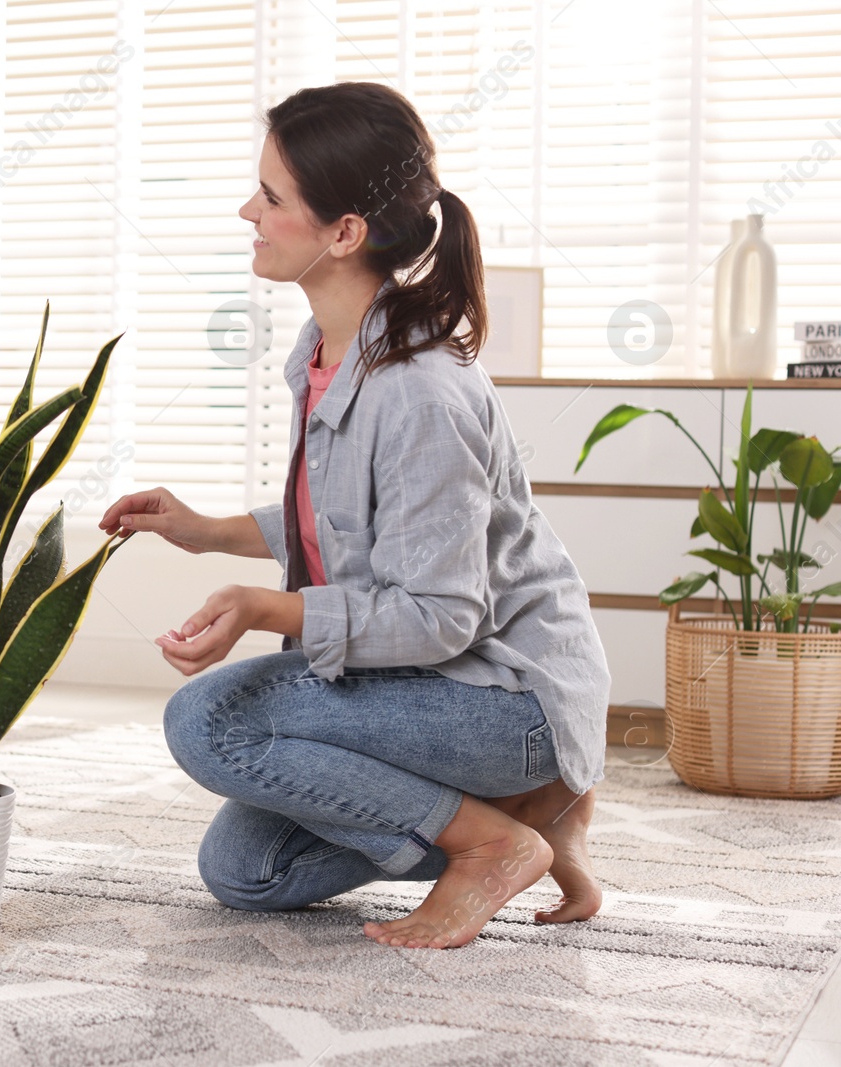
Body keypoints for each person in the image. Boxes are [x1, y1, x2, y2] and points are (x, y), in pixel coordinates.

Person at [98, 81, 609, 949]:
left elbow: (443, 614)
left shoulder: (421, 391)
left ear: (344, 232)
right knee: (247, 873)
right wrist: (208, 529)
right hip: (440, 693)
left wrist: (270, 609)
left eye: (270, 198)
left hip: (505, 697)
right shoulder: (328, 349)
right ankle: (528, 815)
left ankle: (491, 841)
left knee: (208, 720)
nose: (246, 211)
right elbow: (353, 519)